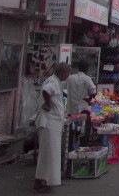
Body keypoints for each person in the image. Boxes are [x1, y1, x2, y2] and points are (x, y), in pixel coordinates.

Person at [34, 62, 71, 192]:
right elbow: (46, 91)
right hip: (48, 122)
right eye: (68, 72)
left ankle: (45, 180)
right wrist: (48, 105)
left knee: (50, 153)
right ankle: (41, 181)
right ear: (62, 72)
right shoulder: (53, 82)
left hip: (52, 123)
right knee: (47, 153)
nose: (68, 75)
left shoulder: (56, 82)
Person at [65, 60, 97, 146]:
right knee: (84, 132)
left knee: (70, 132)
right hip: (83, 110)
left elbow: (63, 90)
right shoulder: (86, 78)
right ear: (87, 69)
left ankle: (70, 149)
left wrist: (69, 97)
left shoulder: (70, 78)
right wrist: (89, 99)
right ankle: (83, 148)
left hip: (71, 110)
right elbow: (93, 91)